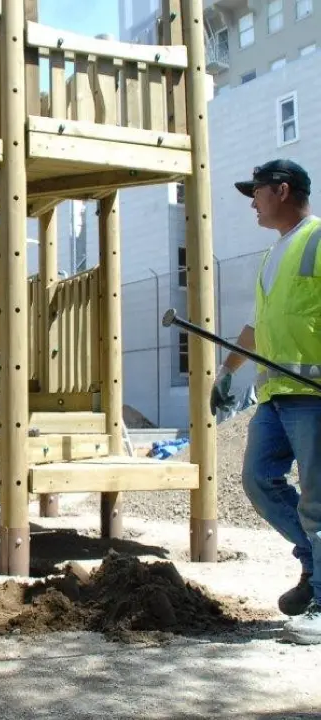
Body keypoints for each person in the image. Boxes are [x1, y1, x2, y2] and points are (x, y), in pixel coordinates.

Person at [210, 159, 321, 645]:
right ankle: (314, 565)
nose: (251, 202)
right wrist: (228, 371)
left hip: (313, 396)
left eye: (255, 192)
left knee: (318, 504)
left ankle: (320, 599)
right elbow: (259, 325)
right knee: (258, 480)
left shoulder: (317, 241)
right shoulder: (274, 252)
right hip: (275, 395)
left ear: (281, 190)